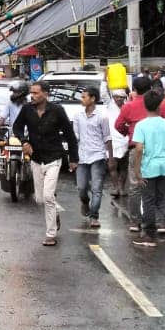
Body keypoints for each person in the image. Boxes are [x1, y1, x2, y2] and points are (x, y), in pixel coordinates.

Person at [115, 74, 165, 232]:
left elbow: (118, 125)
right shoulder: (161, 107)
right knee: (159, 193)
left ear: (135, 90)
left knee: (136, 188)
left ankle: (135, 222)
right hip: (161, 153)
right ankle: (161, 223)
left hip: (137, 150)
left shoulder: (128, 107)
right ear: (151, 89)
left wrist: (128, 132)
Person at [12, 81, 79, 247]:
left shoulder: (57, 111)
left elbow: (70, 135)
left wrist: (73, 159)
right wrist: (24, 141)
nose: (32, 96)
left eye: (36, 93)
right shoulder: (27, 110)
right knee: (40, 199)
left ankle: (50, 234)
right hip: (36, 157)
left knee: (49, 196)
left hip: (54, 157)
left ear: (45, 94)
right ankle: (55, 212)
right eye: (31, 93)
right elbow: (17, 127)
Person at [130, 90, 165, 249]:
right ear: (160, 105)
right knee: (162, 199)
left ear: (145, 106)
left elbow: (139, 149)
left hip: (149, 168)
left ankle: (149, 235)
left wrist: (137, 171)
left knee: (148, 201)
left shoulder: (141, 125)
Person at [72, 86, 112, 229]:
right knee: (81, 187)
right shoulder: (78, 116)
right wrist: (72, 157)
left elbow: (107, 138)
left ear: (93, 98)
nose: (82, 99)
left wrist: (110, 158)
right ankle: (85, 202)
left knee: (97, 187)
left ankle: (94, 216)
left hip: (98, 155)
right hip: (82, 156)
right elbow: (75, 137)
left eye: (84, 97)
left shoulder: (102, 117)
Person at [105, 88, 129, 198]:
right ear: (113, 98)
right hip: (112, 140)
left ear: (124, 98)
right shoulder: (110, 106)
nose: (119, 99)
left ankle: (122, 187)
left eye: (121, 97)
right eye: (117, 97)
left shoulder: (128, 107)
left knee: (124, 166)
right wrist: (105, 78)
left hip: (126, 140)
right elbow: (103, 92)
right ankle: (115, 187)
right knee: (112, 165)